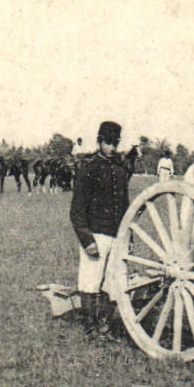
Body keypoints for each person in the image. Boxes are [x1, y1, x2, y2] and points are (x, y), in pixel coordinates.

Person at [68, 120, 134, 335]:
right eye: (108, 143)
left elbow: (125, 206)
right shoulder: (88, 168)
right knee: (90, 281)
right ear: (99, 142)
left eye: (115, 143)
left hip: (117, 236)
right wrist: (87, 240)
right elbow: (77, 210)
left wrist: (128, 237)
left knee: (113, 283)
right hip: (96, 235)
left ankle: (105, 325)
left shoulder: (120, 170)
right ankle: (90, 326)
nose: (112, 148)